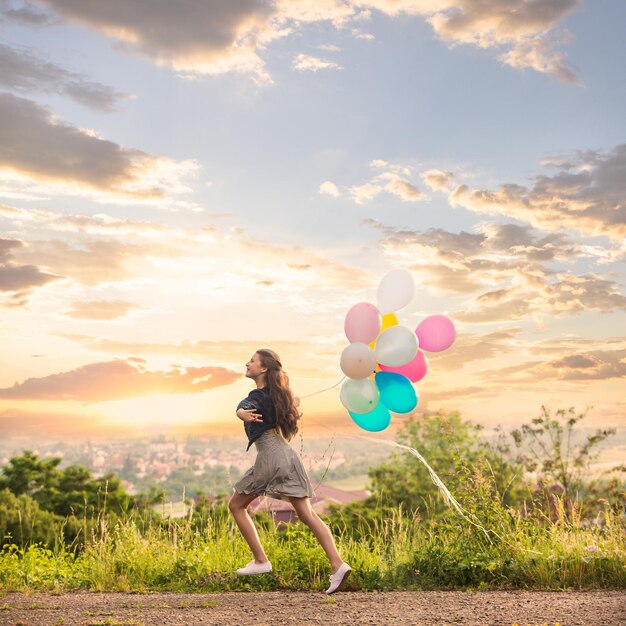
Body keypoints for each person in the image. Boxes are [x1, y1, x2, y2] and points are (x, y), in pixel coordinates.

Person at [228, 348, 352, 594]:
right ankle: (338, 565)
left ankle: (261, 561)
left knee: (236, 505)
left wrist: (241, 413)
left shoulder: (258, 395)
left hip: (271, 456)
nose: (247, 363)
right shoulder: (279, 396)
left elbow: (245, 405)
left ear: (263, 368)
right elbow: (270, 407)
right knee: (308, 515)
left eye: (252, 361)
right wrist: (289, 403)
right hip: (287, 456)